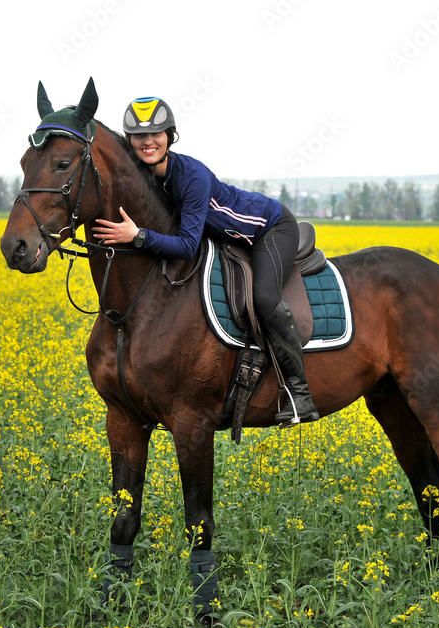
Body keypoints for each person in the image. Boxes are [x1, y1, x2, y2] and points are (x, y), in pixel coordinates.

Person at [94, 96, 319, 426]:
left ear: (170, 135)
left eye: (156, 133)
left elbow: (186, 246)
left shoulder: (191, 177)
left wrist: (138, 237)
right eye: (139, 136)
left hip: (269, 228)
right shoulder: (145, 173)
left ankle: (299, 395)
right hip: (226, 236)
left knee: (265, 296)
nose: (147, 141)